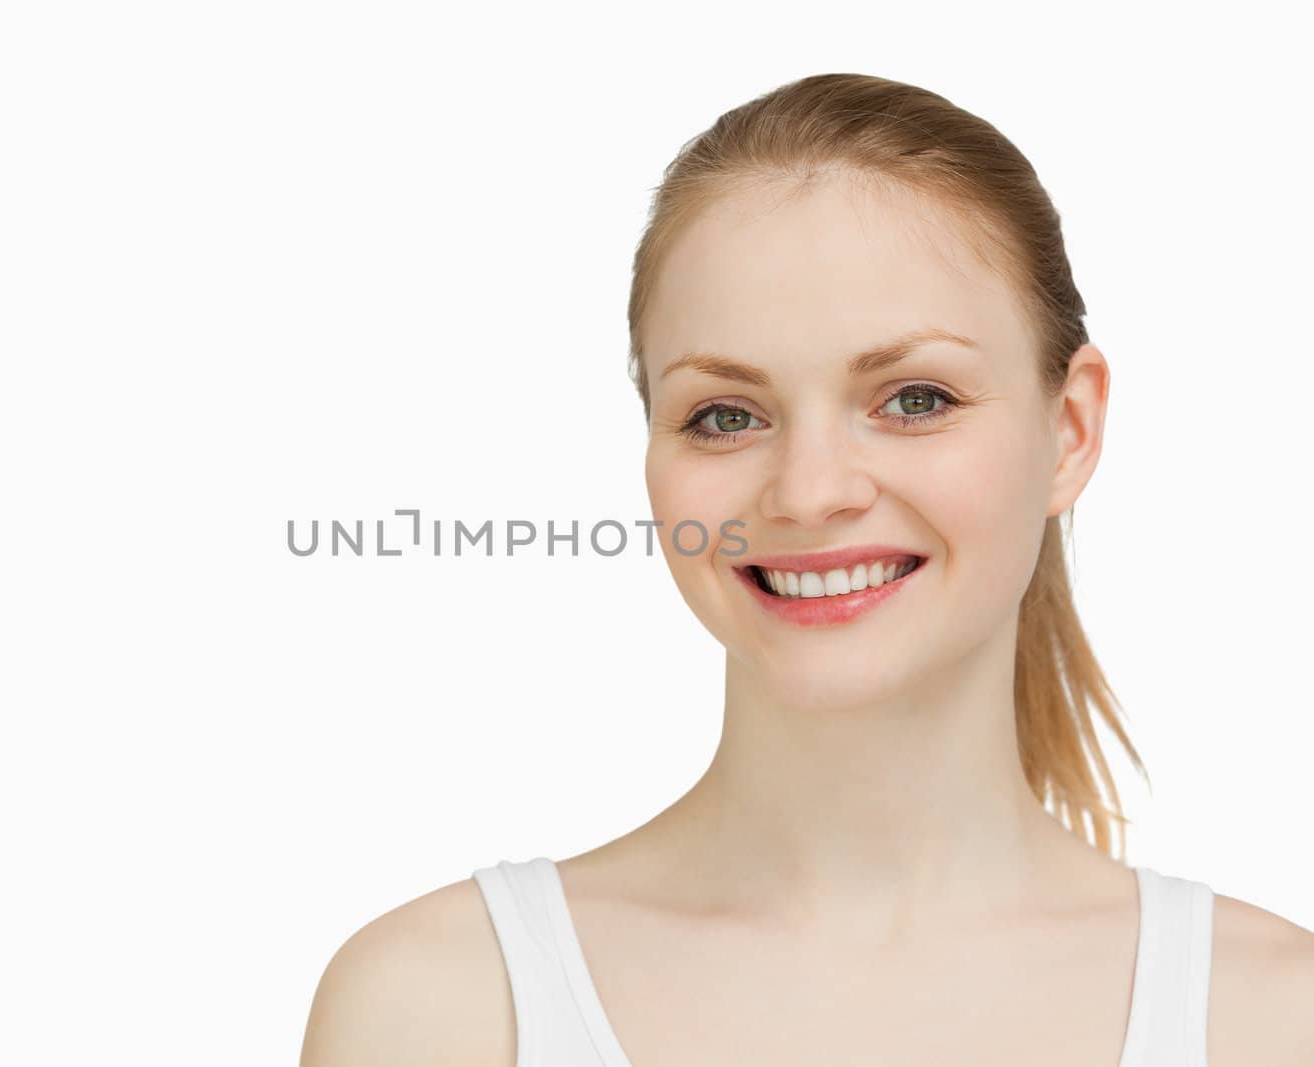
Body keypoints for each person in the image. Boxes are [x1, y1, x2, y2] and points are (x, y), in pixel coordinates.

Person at [299, 73, 1314, 1066]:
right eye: (724, 415)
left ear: (1070, 430)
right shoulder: (438, 1007)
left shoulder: (1273, 1018)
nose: (808, 490)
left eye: (914, 397)